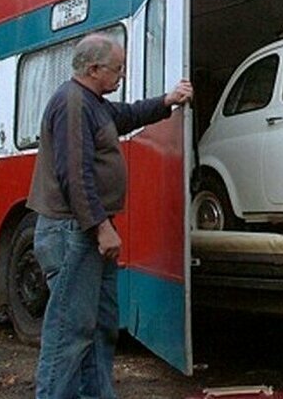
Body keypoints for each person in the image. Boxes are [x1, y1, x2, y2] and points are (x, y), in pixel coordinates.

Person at [27, 31, 193, 399]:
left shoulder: (96, 102)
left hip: (85, 234)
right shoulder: (72, 103)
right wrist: (101, 227)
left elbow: (129, 113)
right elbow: (75, 173)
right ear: (93, 68)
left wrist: (168, 100)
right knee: (70, 331)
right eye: (117, 70)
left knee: (101, 326)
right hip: (73, 232)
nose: (121, 75)